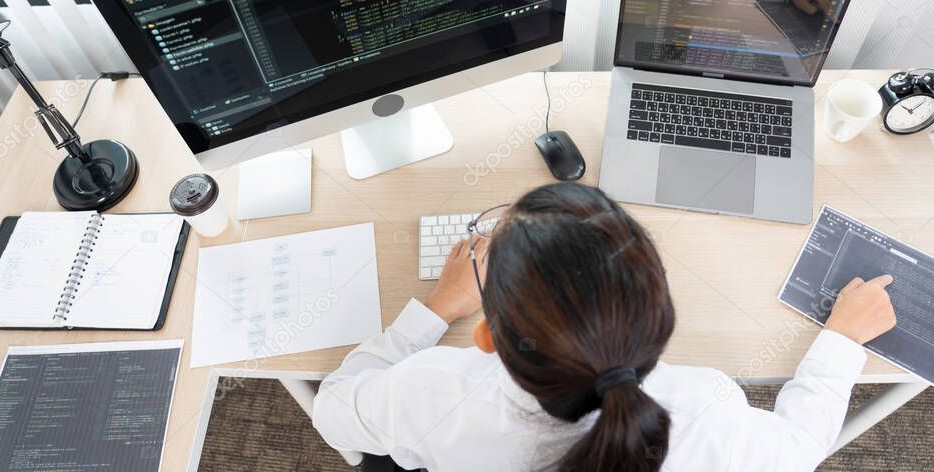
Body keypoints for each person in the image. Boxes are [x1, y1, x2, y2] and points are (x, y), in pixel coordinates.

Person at [312, 183, 897, 471]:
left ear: (487, 338)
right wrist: (840, 342)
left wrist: (437, 309)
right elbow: (798, 450)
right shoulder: (708, 410)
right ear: (658, 321)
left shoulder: (434, 389)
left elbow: (332, 410)